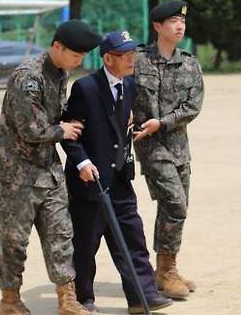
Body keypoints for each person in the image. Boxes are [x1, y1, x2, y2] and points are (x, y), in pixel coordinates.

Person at [0, 20, 101, 315]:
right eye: (75, 55)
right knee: (14, 240)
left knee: (61, 235)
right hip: (17, 174)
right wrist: (62, 130)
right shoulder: (29, 77)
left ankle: (67, 299)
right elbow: (31, 128)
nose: (80, 61)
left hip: (48, 171)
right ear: (56, 47)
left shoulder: (60, 72)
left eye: (82, 56)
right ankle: (9, 299)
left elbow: (59, 114)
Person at [61, 30, 172, 314]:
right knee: (86, 243)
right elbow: (69, 134)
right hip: (90, 181)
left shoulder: (130, 85)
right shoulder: (85, 88)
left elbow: (117, 126)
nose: (132, 58)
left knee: (133, 236)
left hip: (120, 177)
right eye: (125, 55)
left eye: (133, 53)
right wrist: (82, 163)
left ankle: (141, 297)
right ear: (108, 58)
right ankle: (84, 298)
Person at [132, 0, 204, 300]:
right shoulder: (137, 61)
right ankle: (167, 269)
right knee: (175, 203)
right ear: (157, 27)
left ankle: (164, 269)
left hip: (178, 147)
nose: (180, 26)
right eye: (173, 21)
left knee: (176, 207)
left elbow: (192, 106)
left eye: (182, 22)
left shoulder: (190, 63)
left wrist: (162, 122)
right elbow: (117, 92)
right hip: (149, 145)